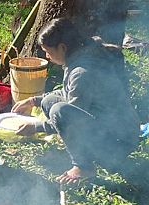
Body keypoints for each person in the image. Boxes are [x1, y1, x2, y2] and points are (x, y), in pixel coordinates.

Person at [11, 18, 139, 184]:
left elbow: (68, 116)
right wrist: (34, 101)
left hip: (117, 143)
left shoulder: (82, 72)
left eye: (48, 51)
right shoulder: (81, 56)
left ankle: (84, 166)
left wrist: (36, 127)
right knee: (49, 100)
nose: (46, 56)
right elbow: (67, 92)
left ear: (63, 47)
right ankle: (84, 153)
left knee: (58, 110)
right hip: (109, 130)